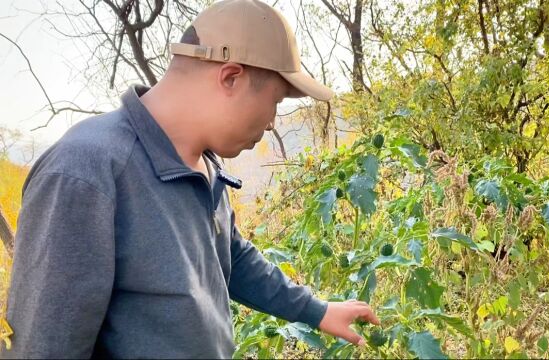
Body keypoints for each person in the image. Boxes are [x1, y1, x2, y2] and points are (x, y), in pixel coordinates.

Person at [1, 0, 379, 358]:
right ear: (231, 77)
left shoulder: (205, 165)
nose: (271, 122)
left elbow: (231, 258)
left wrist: (317, 311)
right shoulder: (86, 171)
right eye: (276, 102)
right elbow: (44, 345)